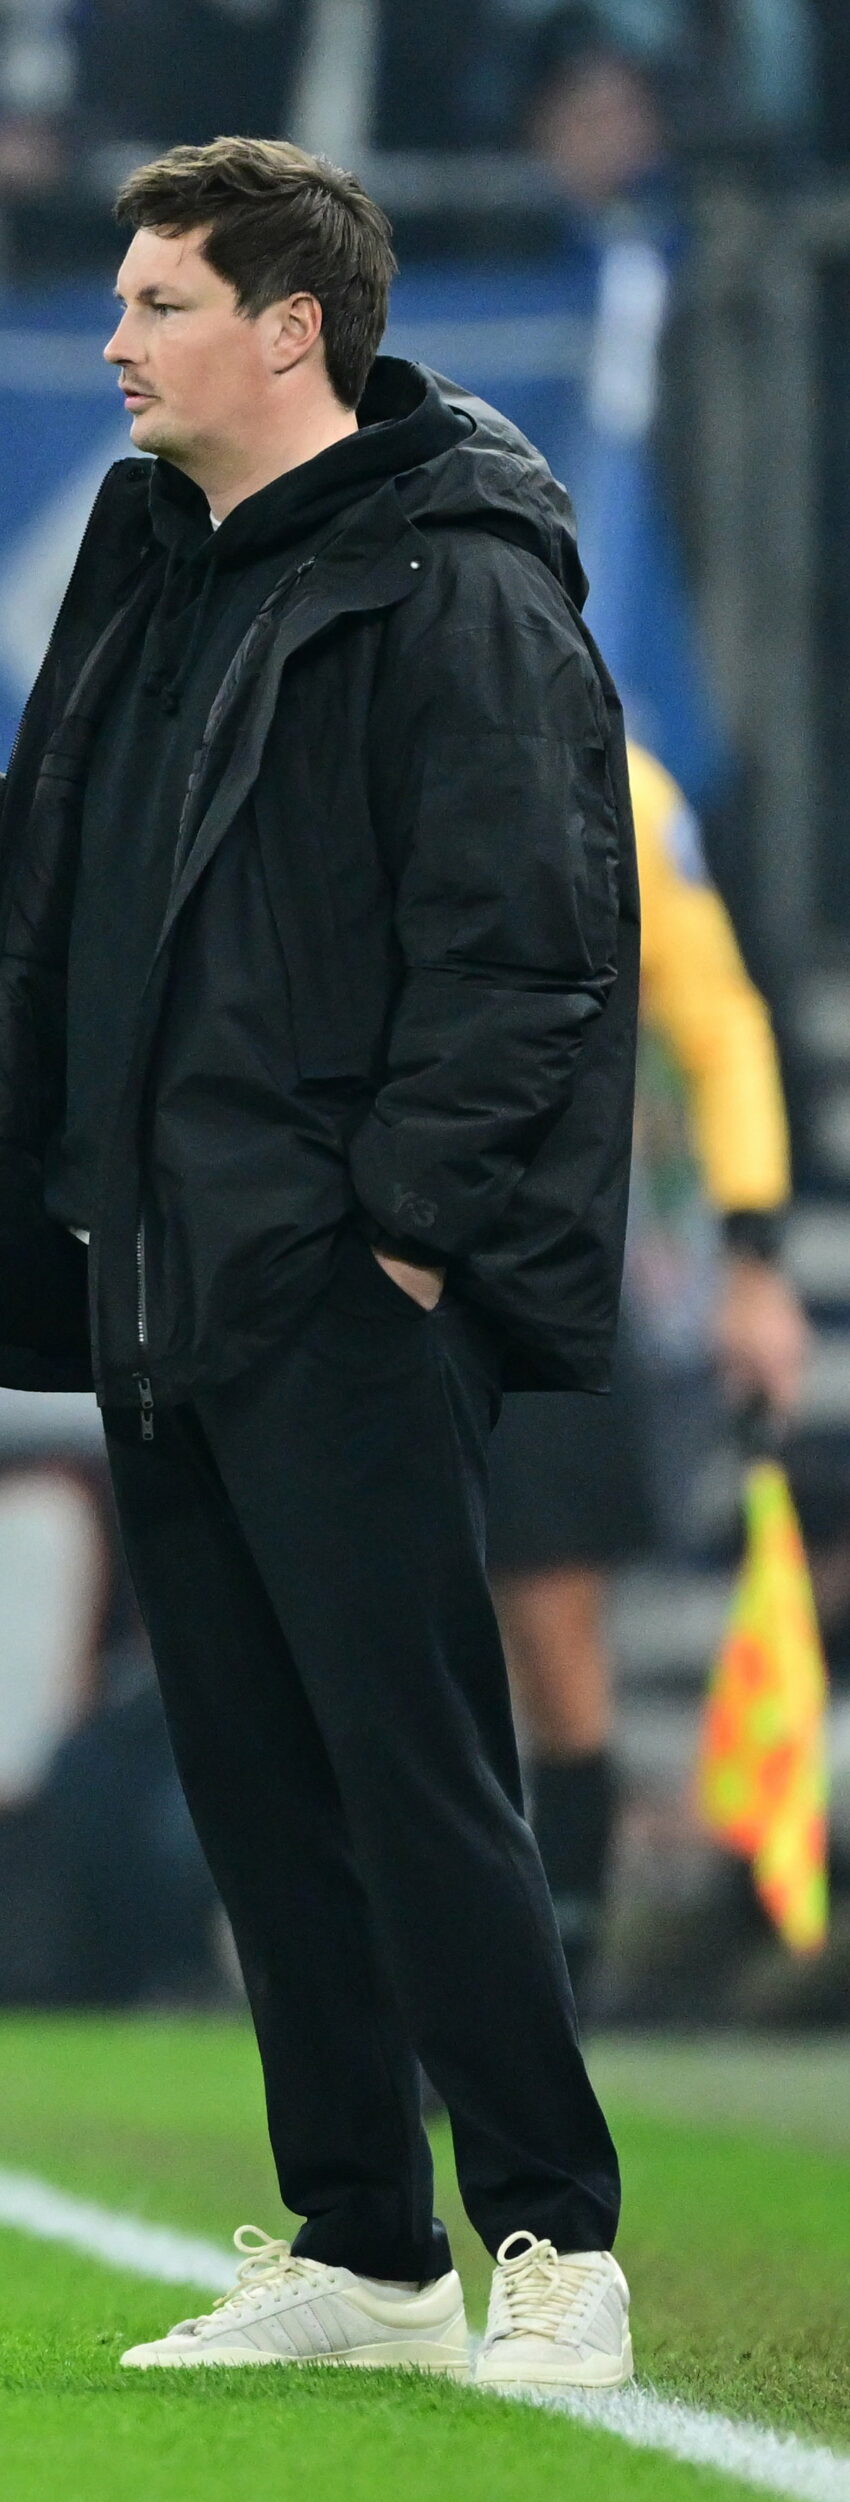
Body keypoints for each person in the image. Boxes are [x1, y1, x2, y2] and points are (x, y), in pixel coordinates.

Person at [0, 136, 636, 2389]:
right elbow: (115, 885)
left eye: (160, 300)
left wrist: (402, 1237)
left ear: (293, 329)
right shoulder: (149, 544)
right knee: (262, 1779)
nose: (115, 340)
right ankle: (365, 2247)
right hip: (156, 1261)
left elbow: (530, 948)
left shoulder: (457, 585)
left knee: (417, 1763)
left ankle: (557, 2239)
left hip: (332, 1276)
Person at [493, 740, 807, 1994]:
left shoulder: (613, 779)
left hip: (533, 1260)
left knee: (557, 1646)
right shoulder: (338, 733)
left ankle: (556, 1973)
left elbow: (716, 1015)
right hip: (356, 1257)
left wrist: (753, 1248)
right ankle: (405, 1982)